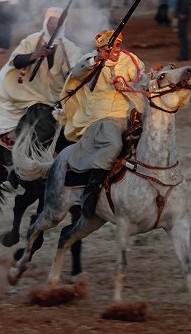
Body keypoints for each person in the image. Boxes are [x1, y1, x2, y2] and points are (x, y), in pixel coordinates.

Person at [56, 30, 146, 218]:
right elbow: (77, 72)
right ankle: (91, 190)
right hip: (102, 116)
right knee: (114, 144)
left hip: (129, 112)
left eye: (117, 45)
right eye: (109, 47)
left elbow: (140, 81)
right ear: (100, 48)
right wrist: (97, 59)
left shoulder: (131, 59)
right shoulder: (91, 59)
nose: (114, 49)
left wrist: (125, 84)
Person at [0, 8, 81, 140]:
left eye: (58, 23)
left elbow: (75, 73)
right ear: (46, 22)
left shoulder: (69, 48)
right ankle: (18, 141)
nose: (54, 26)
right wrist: (35, 55)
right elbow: (16, 61)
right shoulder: (33, 40)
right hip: (30, 93)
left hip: (56, 96)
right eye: (51, 22)